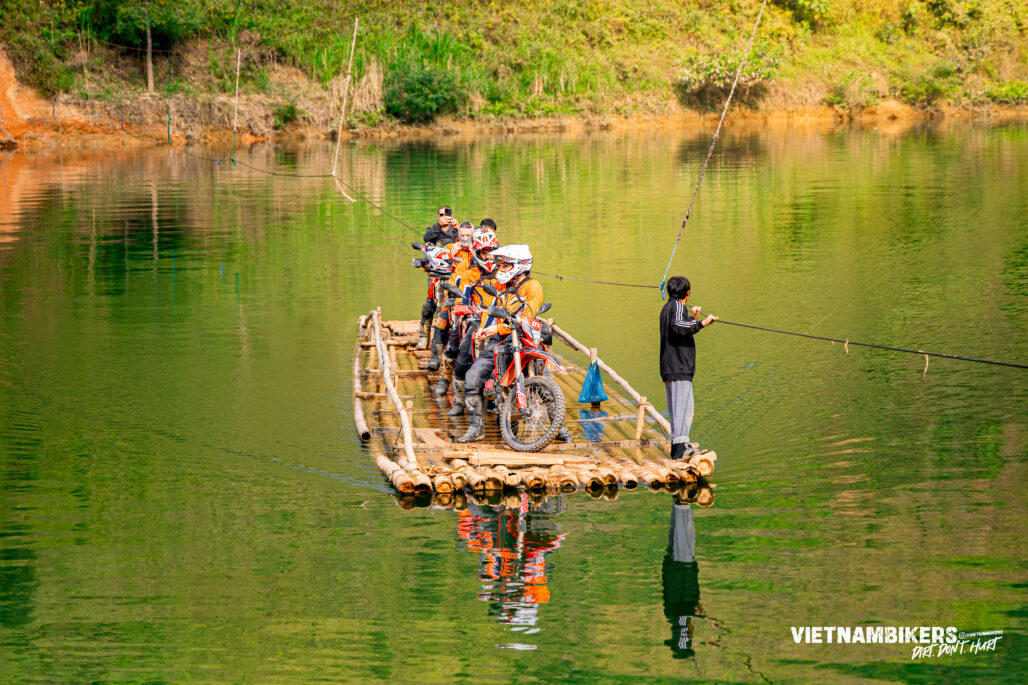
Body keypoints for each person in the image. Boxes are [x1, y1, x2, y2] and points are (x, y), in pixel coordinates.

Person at [458, 244, 543, 443]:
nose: (501, 270)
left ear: (519, 266)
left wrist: (498, 328)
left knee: (541, 379)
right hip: (500, 340)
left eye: (505, 266)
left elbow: (526, 316)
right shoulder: (501, 286)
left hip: (524, 339)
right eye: (501, 266)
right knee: (472, 377)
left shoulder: (533, 287)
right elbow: (490, 309)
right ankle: (476, 427)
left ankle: (559, 426)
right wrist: (484, 328)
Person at [659, 276, 718, 460]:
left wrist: (691, 318)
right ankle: (680, 447)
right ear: (687, 293)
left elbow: (678, 326)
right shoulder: (678, 306)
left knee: (677, 409)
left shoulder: (667, 308)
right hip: (679, 366)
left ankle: (679, 445)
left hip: (669, 367)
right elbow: (678, 327)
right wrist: (702, 323)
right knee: (684, 408)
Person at [447, 225, 501, 416]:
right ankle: (458, 401)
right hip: (476, 317)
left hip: (500, 320)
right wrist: (463, 306)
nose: (488, 256)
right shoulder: (470, 274)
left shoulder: (504, 273)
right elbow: (462, 299)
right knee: (462, 351)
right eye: (484, 253)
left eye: (491, 252)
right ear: (477, 253)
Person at [429, 221, 476, 382]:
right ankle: (435, 357)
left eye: (468, 235)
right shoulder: (450, 248)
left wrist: (475, 253)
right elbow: (440, 269)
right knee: (442, 320)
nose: (465, 238)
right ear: (458, 235)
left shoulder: (479, 251)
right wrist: (450, 254)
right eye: (462, 235)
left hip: (476, 295)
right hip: (454, 293)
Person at [661, 495, 703, 659]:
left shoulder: (680, 616)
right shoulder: (672, 615)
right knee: (678, 530)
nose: (693, 634)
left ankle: (682, 500)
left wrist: (696, 612)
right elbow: (684, 615)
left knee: (683, 530)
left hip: (681, 568)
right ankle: (678, 499)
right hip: (674, 567)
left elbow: (684, 618)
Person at [417, 207, 458, 349]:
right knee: (429, 304)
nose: (444, 217)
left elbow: (467, 242)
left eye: (447, 215)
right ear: (437, 216)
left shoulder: (456, 231)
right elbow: (426, 238)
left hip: (453, 272)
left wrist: (457, 229)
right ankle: (424, 335)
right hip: (436, 272)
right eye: (441, 215)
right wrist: (439, 225)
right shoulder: (433, 230)